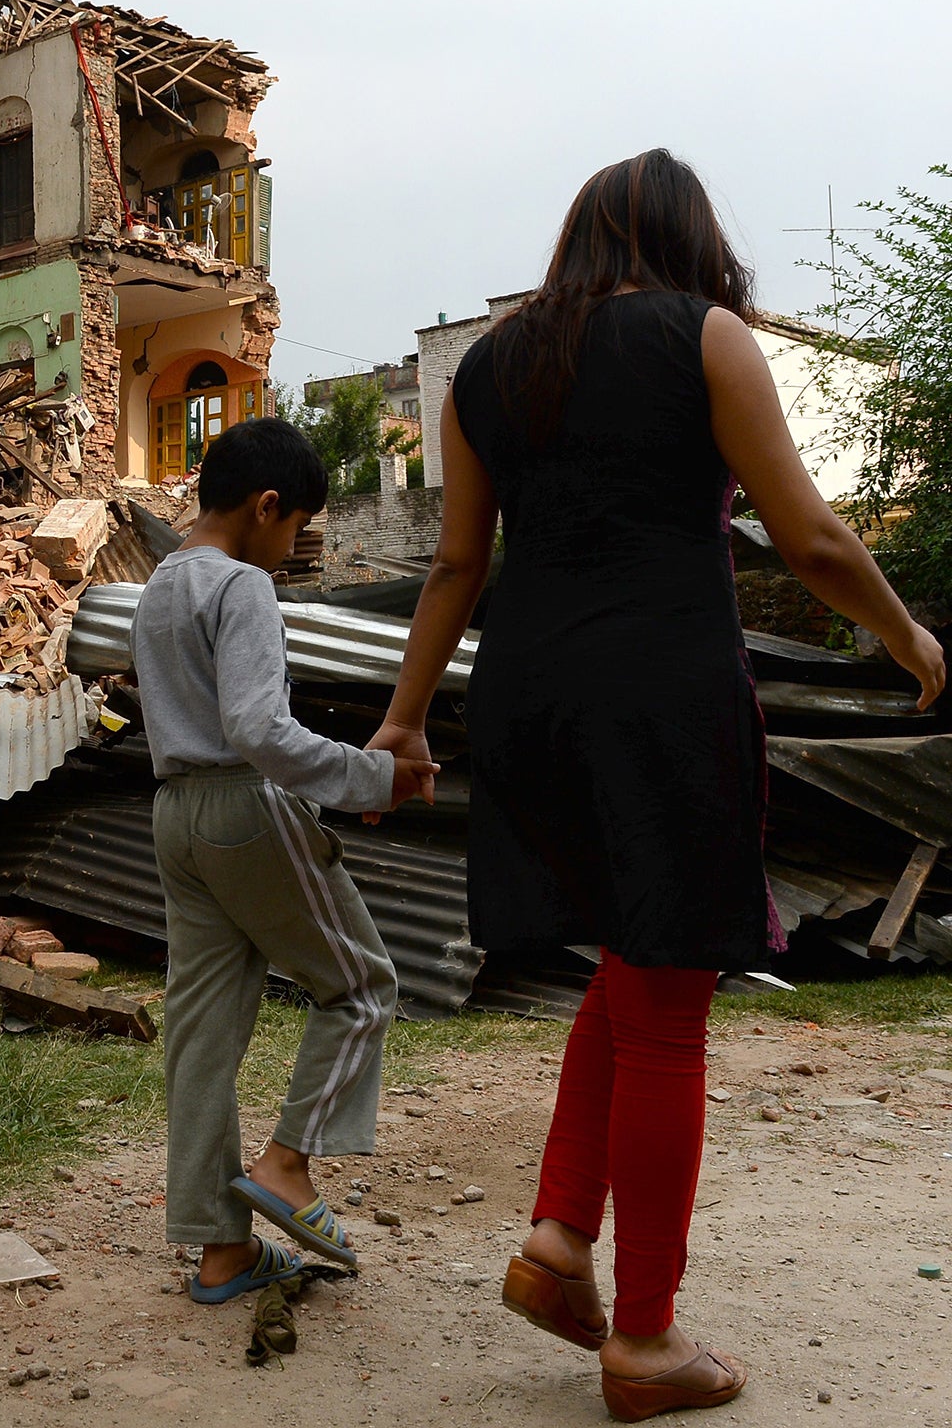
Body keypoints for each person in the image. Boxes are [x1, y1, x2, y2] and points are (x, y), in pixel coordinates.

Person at [367, 149, 945, 1421]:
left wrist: (406, 720)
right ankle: (642, 1341)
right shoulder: (706, 336)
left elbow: (456, 564)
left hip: (526, 697)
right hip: (663, 696)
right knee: (671, 988)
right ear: (687, 241)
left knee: (632, 968)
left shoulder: (483, 371)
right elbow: (808, 534)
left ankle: (558, 1241)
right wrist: (910, 641)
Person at [131, 417, 439, 1304]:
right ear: (268, 507)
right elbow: (259, 731)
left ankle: (220, 1250)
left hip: (174, 815)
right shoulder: (243, 587)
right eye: (297, 528)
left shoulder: (158, 583)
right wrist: (374, 775)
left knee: (201, 1035)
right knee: (362, 985)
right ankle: (287, 1165)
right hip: (240, 809)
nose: (292, 547)